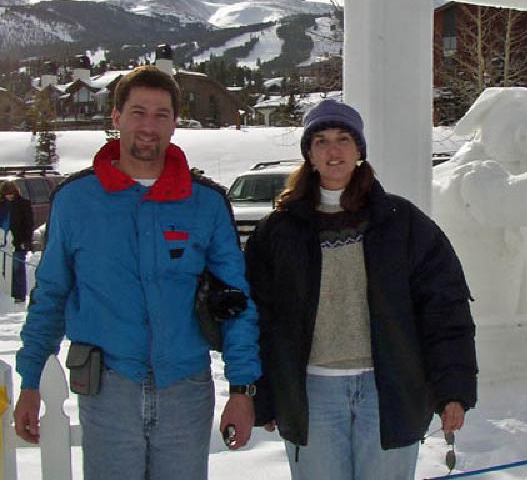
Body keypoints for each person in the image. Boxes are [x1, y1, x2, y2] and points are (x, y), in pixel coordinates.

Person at [14, 66, 261, 480]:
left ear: (175, 122)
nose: (149, 126)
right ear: (116, 117)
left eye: (161, 114)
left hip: (185, 389)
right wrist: (31, 380)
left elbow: (236, 302)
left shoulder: (205, 203)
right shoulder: (76, 201)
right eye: (138, 112)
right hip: (108, 389)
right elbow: (51, 295)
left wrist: (242, 388)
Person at [245, 99, 478, 480]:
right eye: (321, 141)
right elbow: (259, 318)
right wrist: (265, 394)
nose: (333, 150)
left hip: (389, 391)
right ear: (309, 154)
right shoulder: (279, 230)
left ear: (359, 150)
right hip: (312, 394)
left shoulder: (402, 222)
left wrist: (452, 387)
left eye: (343, 139)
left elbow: (444, 307)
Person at [0, 181, 33, 303]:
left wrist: (26, 241)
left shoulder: (23, 204)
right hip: (2, 241)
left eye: (11, 193)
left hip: (18, 242)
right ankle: (5, 295)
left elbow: (29, 224)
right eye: (6, 194)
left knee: (17, 268)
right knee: (3, 269)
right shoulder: (2, 205)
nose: (9, 196)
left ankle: (19, 295)